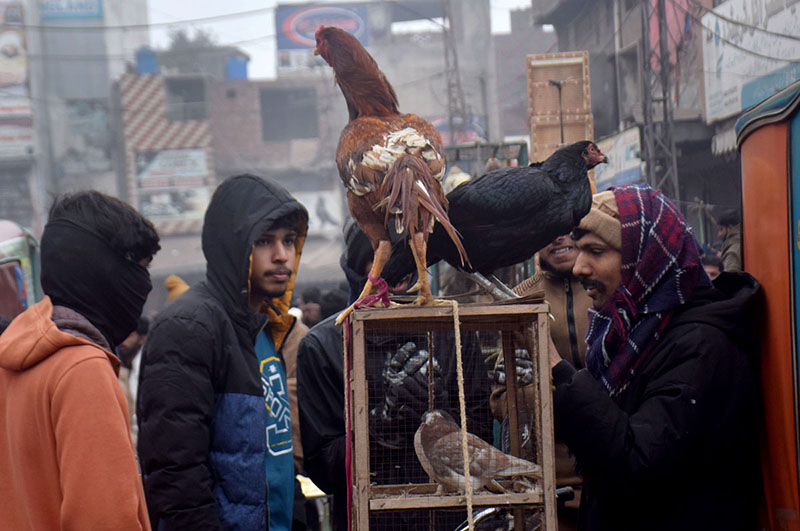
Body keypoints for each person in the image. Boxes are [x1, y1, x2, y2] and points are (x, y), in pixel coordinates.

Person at [550, 185, 760, 531]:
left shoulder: (700, 346)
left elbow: (637, 466)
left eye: (595, 251)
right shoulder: (632, 335)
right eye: (579, 251)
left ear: (644, 259)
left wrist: (563, 373)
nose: (579, 268)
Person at [137, 174, 309, 530]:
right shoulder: (189, 327)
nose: (281, 256)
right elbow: (175, 475)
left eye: (289, 240)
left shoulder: (264, 327)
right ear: (232, 245)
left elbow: (276, 456)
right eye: (264, 241)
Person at [297, 221, 492, 531]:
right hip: (367, 521)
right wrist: (379, 423)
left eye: (410, 253)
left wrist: (438, 417)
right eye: (382, 254)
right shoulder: (325, 345)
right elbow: (322, 470)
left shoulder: (454, 332)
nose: (398, 267)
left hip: (448, 519)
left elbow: (483, 437)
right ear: (361, 264)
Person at [0, 190, 159, 530]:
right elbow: (105, 518)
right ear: (100, 271)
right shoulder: (82, 369)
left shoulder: (12, 359)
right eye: (138, 269)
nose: (142, 287)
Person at [489, 234, 592, 530]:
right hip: (549, 487)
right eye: (550, 228)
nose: (561, 236)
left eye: (571, 227)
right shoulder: (521, 298)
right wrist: (553, 395)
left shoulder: (607, 287)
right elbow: (501, 401)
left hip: (616, 477)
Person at [117, 316, 149, 445]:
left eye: (130, 336)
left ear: (142, 339)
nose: (124, 342)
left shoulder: (146, 366)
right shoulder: (119, 360)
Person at [716, 207, 742, 272]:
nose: (719, 234)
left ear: (730, 228)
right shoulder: (744, 242)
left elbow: (730, 280)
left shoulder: (732, 252)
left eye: (721, 229)